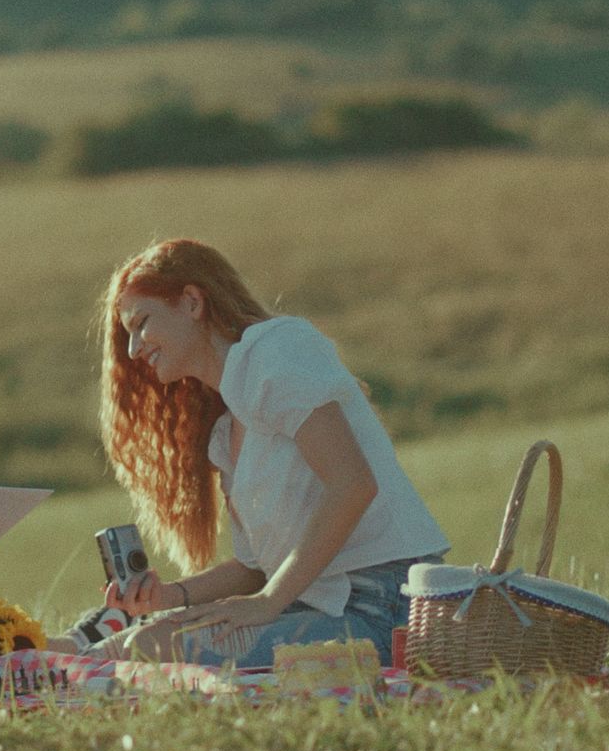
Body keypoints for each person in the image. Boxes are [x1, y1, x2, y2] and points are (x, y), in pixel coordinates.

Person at [65, 237, 448, 667]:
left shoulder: (276, 350)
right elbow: (255, 569)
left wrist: (269, 601)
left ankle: (71, 674)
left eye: (141, 323)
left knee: (148, 650)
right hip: (316, 607)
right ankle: (38, 668)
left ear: (192, 302)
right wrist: (167, 597)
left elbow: (352, 483)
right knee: (136, 638)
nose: (134, 350)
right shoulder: (227, 432)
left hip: (383, 609)